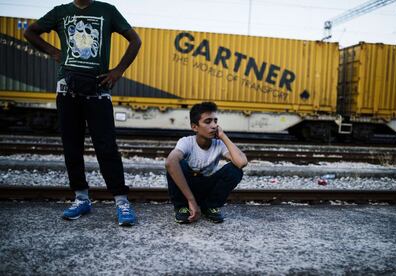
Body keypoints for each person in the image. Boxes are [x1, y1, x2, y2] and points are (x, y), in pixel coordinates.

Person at [24, 0, 141, 226]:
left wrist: (118, 71)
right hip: (67, 89)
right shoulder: (61, 12)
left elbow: (135, 40)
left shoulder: (107, 10)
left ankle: (121, 201)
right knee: (72, 146)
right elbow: (30, 32)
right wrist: (53, 51)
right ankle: (81, 198)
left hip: (98, 90)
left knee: (106, 147)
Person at [165, 102, 248, 224]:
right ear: (195, 127)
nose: (214, 126)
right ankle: (182, 207)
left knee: (235, 170)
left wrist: (223, 136)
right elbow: (169, 162)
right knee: (176, 164)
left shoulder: (219, 144)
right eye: (208, 122)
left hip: (206, 187)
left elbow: (241, 162)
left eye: (215, 121)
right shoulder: (186, 142)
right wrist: (191, 200)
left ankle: (209, 207)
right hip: (187, 189)